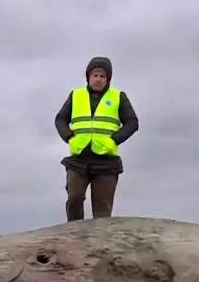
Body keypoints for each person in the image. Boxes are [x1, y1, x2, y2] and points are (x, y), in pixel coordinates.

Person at [54, 56, 139, 220]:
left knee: (102, 213)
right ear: (88, 77)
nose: (98, 79)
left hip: (106, 161)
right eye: (95, 75)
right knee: (74, 198)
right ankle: (74, 232)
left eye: (102, 76)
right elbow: (60, 120)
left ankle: (99, 244)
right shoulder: (76, 95)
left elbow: (132, 122)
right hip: (79, 158)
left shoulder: (118, 97)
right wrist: (69, 137)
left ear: (108, 79)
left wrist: (114, 139)